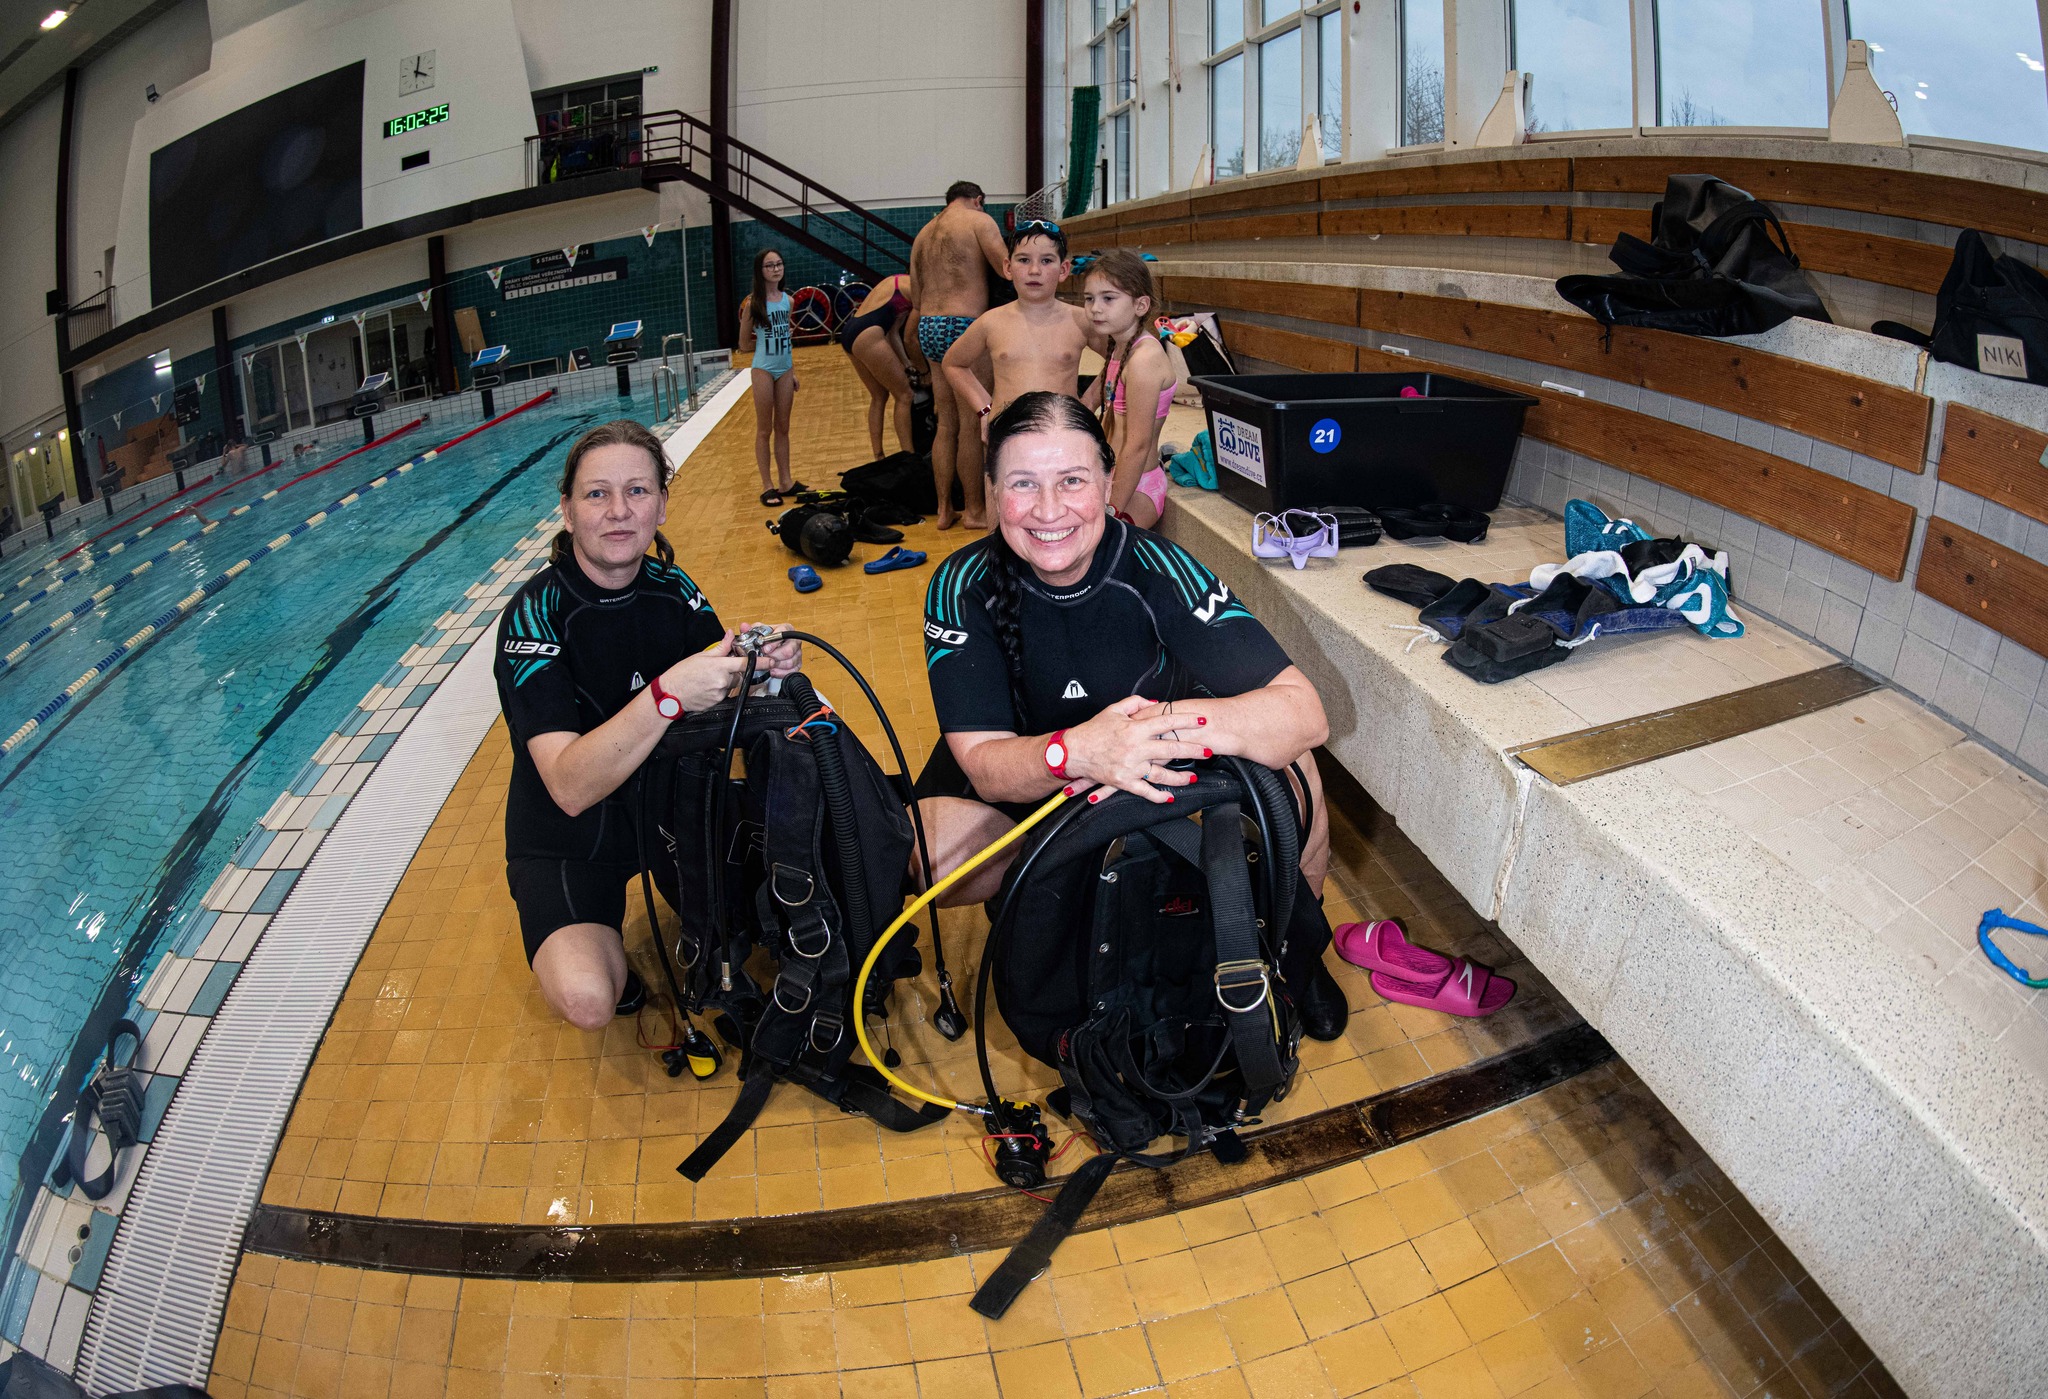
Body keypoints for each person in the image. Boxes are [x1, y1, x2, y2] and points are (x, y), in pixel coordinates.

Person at [912, 392, 1347, 1039]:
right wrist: (1078, 751)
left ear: (1108, 480)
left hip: (1149, 765)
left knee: (1298, 770)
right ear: (993, 489)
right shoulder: (961, 584)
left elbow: (1304, 712)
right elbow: (983, 763)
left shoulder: (1156, 567)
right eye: (1023, 484)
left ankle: (1295, 947)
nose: (1049, 510)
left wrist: (1145, 731)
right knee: (923, 850)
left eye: (1072, 480)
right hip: (1034, 772)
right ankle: (1037, 902)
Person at [494, 419, 801, 1030]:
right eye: (597, 493)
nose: (618, 511)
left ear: (661, 506)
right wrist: (665, 696)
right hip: (571, 834)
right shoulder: (533, 617)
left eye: (637, 491)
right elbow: (569, 786)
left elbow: (719, 695)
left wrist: (761, 668)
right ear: (567, 511)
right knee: (590, 1000)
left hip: (669, 810)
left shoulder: (672, 587)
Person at [908, 181, 1010, 529]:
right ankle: (974, 511)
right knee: (971, 422)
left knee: (945, 422)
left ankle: (942, 509)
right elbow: (1007, 269)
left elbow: (916, 298)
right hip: (964, 325)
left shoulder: (923, 234)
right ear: (978, 200)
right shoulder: (979, 221)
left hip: (929, 326)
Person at [941, 220, 1093, 447]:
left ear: (1064, 270)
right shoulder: (991, 322)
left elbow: (1120, 358)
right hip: (1008, 437)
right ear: (1008, 267)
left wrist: (1089, 404)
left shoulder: (1082, 320)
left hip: (1064, 436)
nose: (1034, 270)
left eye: (1046, 261)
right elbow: (953, 364)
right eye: (1023, 260)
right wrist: (984, 409)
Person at [1084, 251, 1175, 529]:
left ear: (1141, 305)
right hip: (1110, 478)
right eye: (1089, 298)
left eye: (1108, 298)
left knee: (1096, 546)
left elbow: (1138, 445)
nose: (1095, 308)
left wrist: (1111, 510)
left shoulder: (1144, 359)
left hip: (1137, 486)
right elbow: (1086, 404)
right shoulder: (1119, 348)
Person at [738, 248, 806, 506]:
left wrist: (793, 371)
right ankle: (768, 485)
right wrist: (766, 345)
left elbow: (786, 338)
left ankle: (786, 481)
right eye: (770, 265)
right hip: (763, 369)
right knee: (764, 429)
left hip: (785, 369)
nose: (776, 269)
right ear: (760, 271)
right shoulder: (753, 304)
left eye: (779, 264)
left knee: (783, 427)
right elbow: (743, 344)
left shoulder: (788, 301)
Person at [838, 273, 916, 458]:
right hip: (867, 334)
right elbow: (910, 338)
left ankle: (879, 456)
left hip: (851, 331)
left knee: (879, 396)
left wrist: (907, 363)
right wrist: (922, 370)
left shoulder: (900, 283)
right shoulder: (918, 291)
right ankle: (910, 457)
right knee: (905, 395)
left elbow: (893, 334)